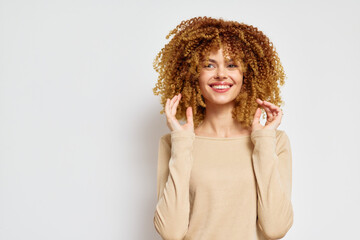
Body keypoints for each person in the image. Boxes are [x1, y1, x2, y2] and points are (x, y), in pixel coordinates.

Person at [152, 16, 293, 240]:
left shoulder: (274, 141)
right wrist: (182, 144)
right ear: (192, 74)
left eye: (232, 65)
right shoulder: (174, 142)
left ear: (246, 75)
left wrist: (264, 142)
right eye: (208, 65)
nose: (220, 74)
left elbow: (275, 228)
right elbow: (171, 232)